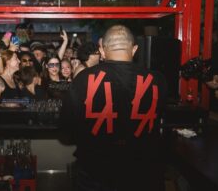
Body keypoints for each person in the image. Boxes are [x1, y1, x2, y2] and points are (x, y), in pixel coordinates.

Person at [61, 25, 168, 191]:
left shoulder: (83, 79)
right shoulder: (158, 81)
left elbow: (66, 129)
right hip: (142, 171)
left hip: (95, 170)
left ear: (102, 51)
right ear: (134, 50)